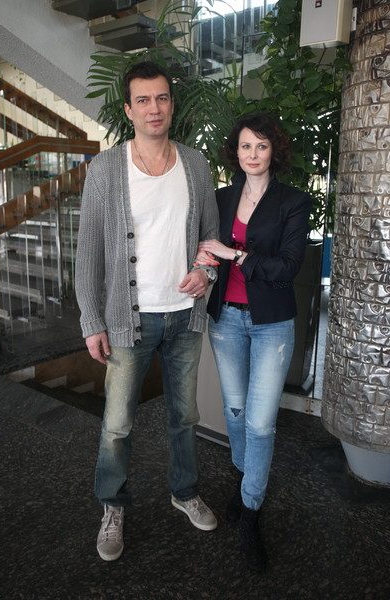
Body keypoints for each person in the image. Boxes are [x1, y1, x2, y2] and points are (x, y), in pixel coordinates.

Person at [75, 61, 219, 562]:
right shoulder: (105, 170)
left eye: (161, 98)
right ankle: (112, 505)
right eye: (143, 100)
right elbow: (89, 252)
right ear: (129, 109)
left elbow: (210, 239)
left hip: (184, 316)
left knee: (185, 416)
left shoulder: (195, 164)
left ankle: (185, 492)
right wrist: (92, 321)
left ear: (171, 105)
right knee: (118, 424)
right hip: (127, 320)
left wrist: (206, 273)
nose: (153, 108)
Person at [197, 112, 312, 569]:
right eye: (246, 146)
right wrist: (204, 262)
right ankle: (247, 482)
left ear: (274, 151)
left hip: (271, 325)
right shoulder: (222, 198)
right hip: (226, 319)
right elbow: (207, 250)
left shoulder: (293, 202)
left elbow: (287, 267)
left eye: (261, 146)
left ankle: (250, 511)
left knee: (261, 424)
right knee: (236, 412)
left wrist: (236, 255)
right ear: (236, 151)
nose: (253, 154)